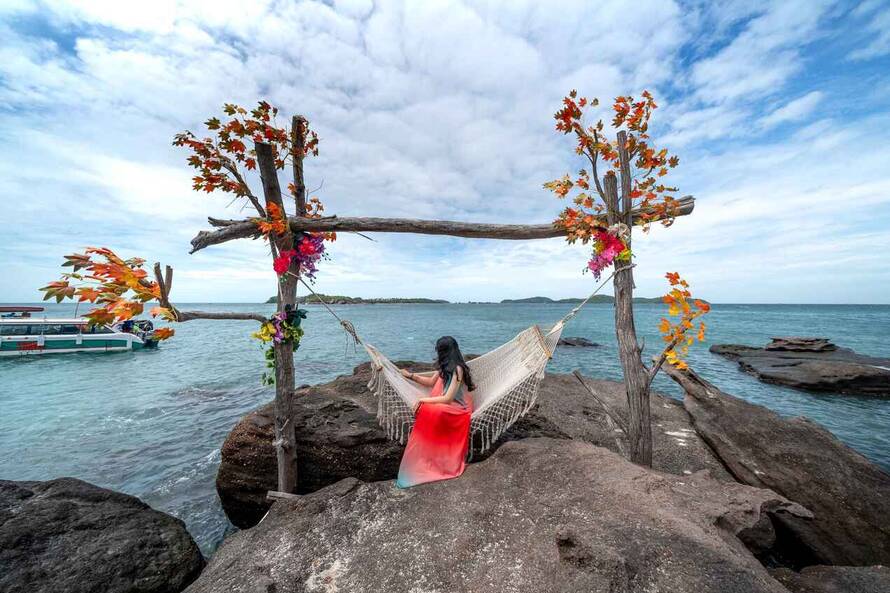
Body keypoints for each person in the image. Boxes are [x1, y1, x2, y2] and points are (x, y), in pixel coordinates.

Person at [396, 336, 476, 488]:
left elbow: (448, 398)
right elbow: (430, 382)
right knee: (429, 410)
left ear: (443, 351)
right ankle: (426, 457)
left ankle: (434, 458)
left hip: (459, 410)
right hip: (447, 406)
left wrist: (422, 400)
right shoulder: (444, 366)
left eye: (438, 350)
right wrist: (410, 376)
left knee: (430, 409)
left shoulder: (457, 369)